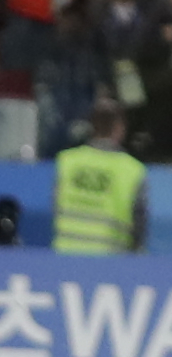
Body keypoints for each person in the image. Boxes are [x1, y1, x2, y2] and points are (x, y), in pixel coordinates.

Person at [51, 100, 148, 255]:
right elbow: (139, 224)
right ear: (119, 128)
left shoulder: (66, 162)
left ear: (92, 126)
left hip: (66, 257)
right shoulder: (132, 170)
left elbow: (55, 206)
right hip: (111, 260)